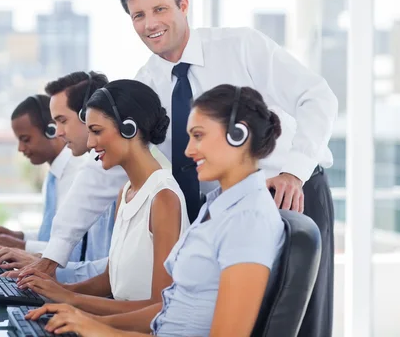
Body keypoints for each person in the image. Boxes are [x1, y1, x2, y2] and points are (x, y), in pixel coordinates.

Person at [22, 0, 337, 337]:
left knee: (299, 324)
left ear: (183, 5)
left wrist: (294, 171)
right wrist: (54, 255)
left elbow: (317, 97)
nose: (150, 23)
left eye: (159, 9)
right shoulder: (148, 83)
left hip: (292, 195)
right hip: (221, 213)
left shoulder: (241, 47)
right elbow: (98, 175)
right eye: (138, 15)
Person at [25, 85, 287, 337]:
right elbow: (166, 311)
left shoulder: (248, 220)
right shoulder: (218, 208)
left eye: (198, 136)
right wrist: (87, 321)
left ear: (238, 135)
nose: (187, 150)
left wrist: (101, 330)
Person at [17, 79, 189, 316]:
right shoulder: (126, 192)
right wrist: (57, 291)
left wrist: (72, 301)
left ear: (129, 128)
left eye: (96, 131)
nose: (90, 143)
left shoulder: (164, 198)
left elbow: (160, 308)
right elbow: (110, 281)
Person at [0, 72, 118, 283]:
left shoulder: (104, 172)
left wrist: (37, 261)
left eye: (62, 121)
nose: (58, 132)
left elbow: (104, 269)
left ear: (89, 116)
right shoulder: (93, 169)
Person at [0, 95, 85, 259]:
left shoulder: (78, 175)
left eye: (25, 139)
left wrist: (19, 246)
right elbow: (51, 237)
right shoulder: (53, 176)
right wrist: (15, 236)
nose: (20, 148)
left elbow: (72, 250)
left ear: (51, 131)